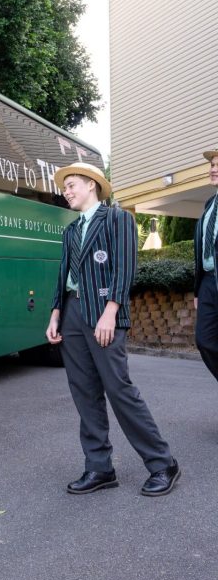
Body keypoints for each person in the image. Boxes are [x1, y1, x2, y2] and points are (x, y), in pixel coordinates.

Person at [45, 162, 180, 496]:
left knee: (119, 389)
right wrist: (55, 313)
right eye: (65, 187)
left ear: (92, 185)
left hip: (103, 312)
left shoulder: (118, 219)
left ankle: (163, 463)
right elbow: (63, 275)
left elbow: (124, 268)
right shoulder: (70, 231)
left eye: (72, 184)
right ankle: (99, 468)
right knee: (84, 391)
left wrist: (111, 313)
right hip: (72, 314)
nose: (67, 191)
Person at [194, 147, 218, 384]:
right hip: (209, 283)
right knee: (205, 341)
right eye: (212, 165)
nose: (213, 169)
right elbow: (201, 250)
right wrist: (198, 289)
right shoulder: (210, 204)